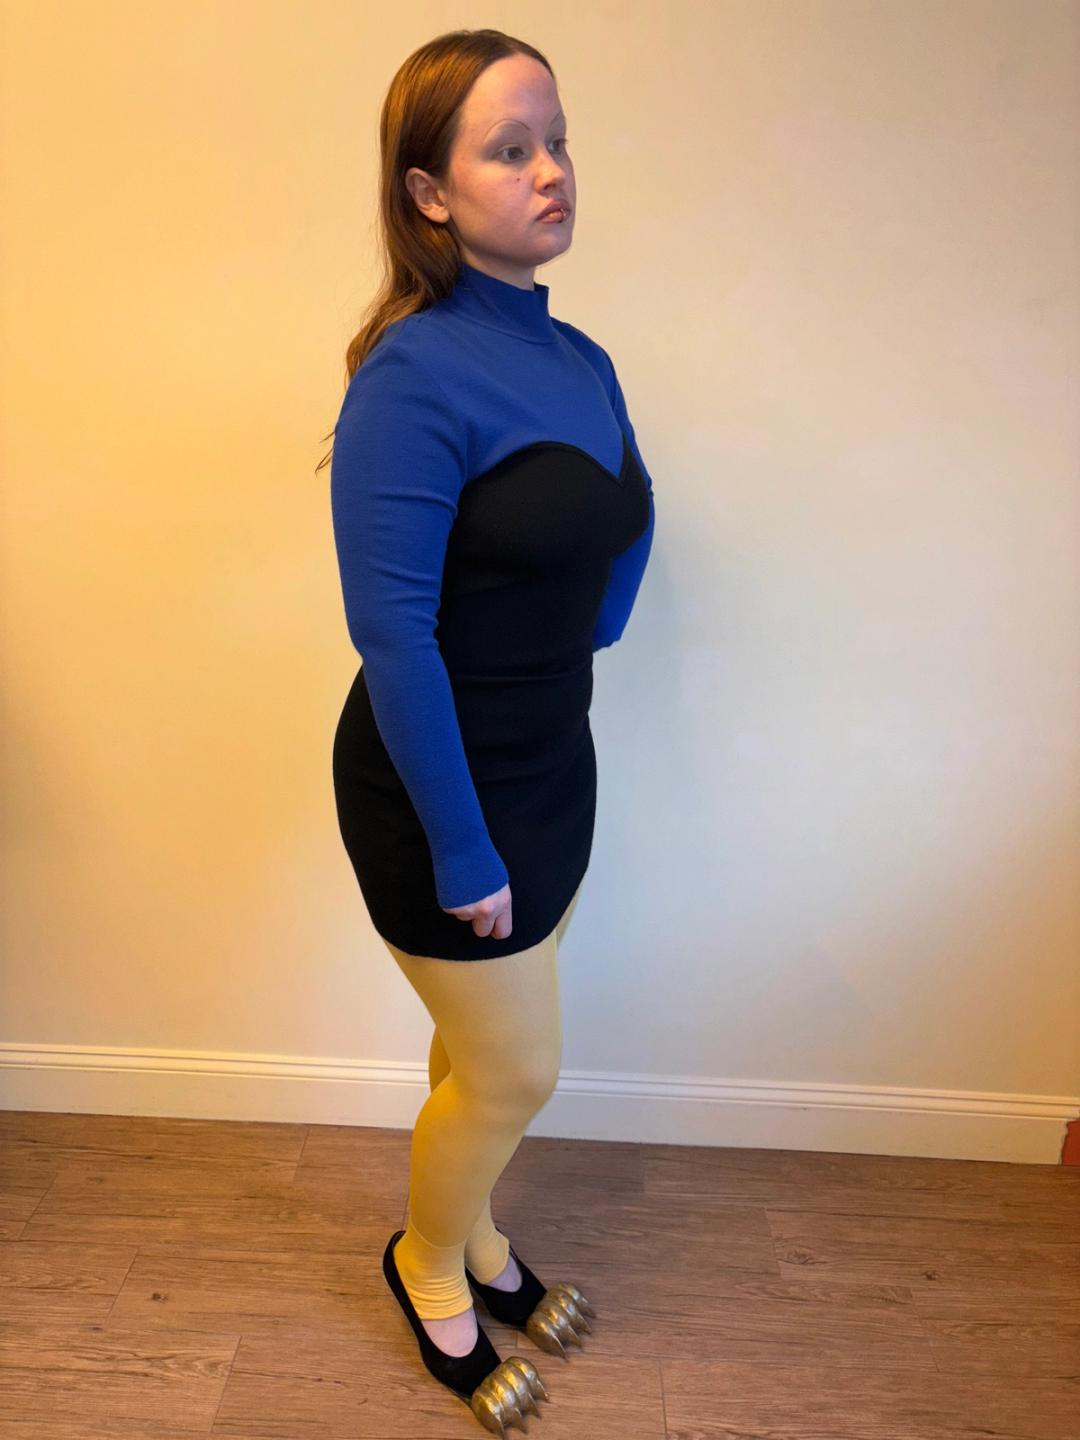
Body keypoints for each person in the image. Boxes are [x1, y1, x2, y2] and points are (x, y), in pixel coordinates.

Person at [323, 26, 655, 1433]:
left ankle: (479, 1236)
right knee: (518, 1068)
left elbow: (624, 510)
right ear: (430, 192)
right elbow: (394, 638)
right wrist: (462, 848)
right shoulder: (413, 376)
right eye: (510, 149)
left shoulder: (580, 356)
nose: (551, 170)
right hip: (438, 789)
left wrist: (594, 624)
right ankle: (425, 1262)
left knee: (478, 1061)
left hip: (551, 763)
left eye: (557, 140)